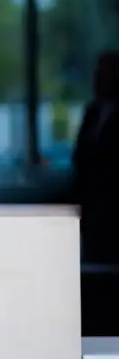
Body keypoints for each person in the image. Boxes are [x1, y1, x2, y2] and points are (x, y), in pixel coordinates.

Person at [72, 50, 119, 263]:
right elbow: (80, 155)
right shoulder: (92, 112)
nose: (97, 78)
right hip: (90, 210)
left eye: (104, 73)